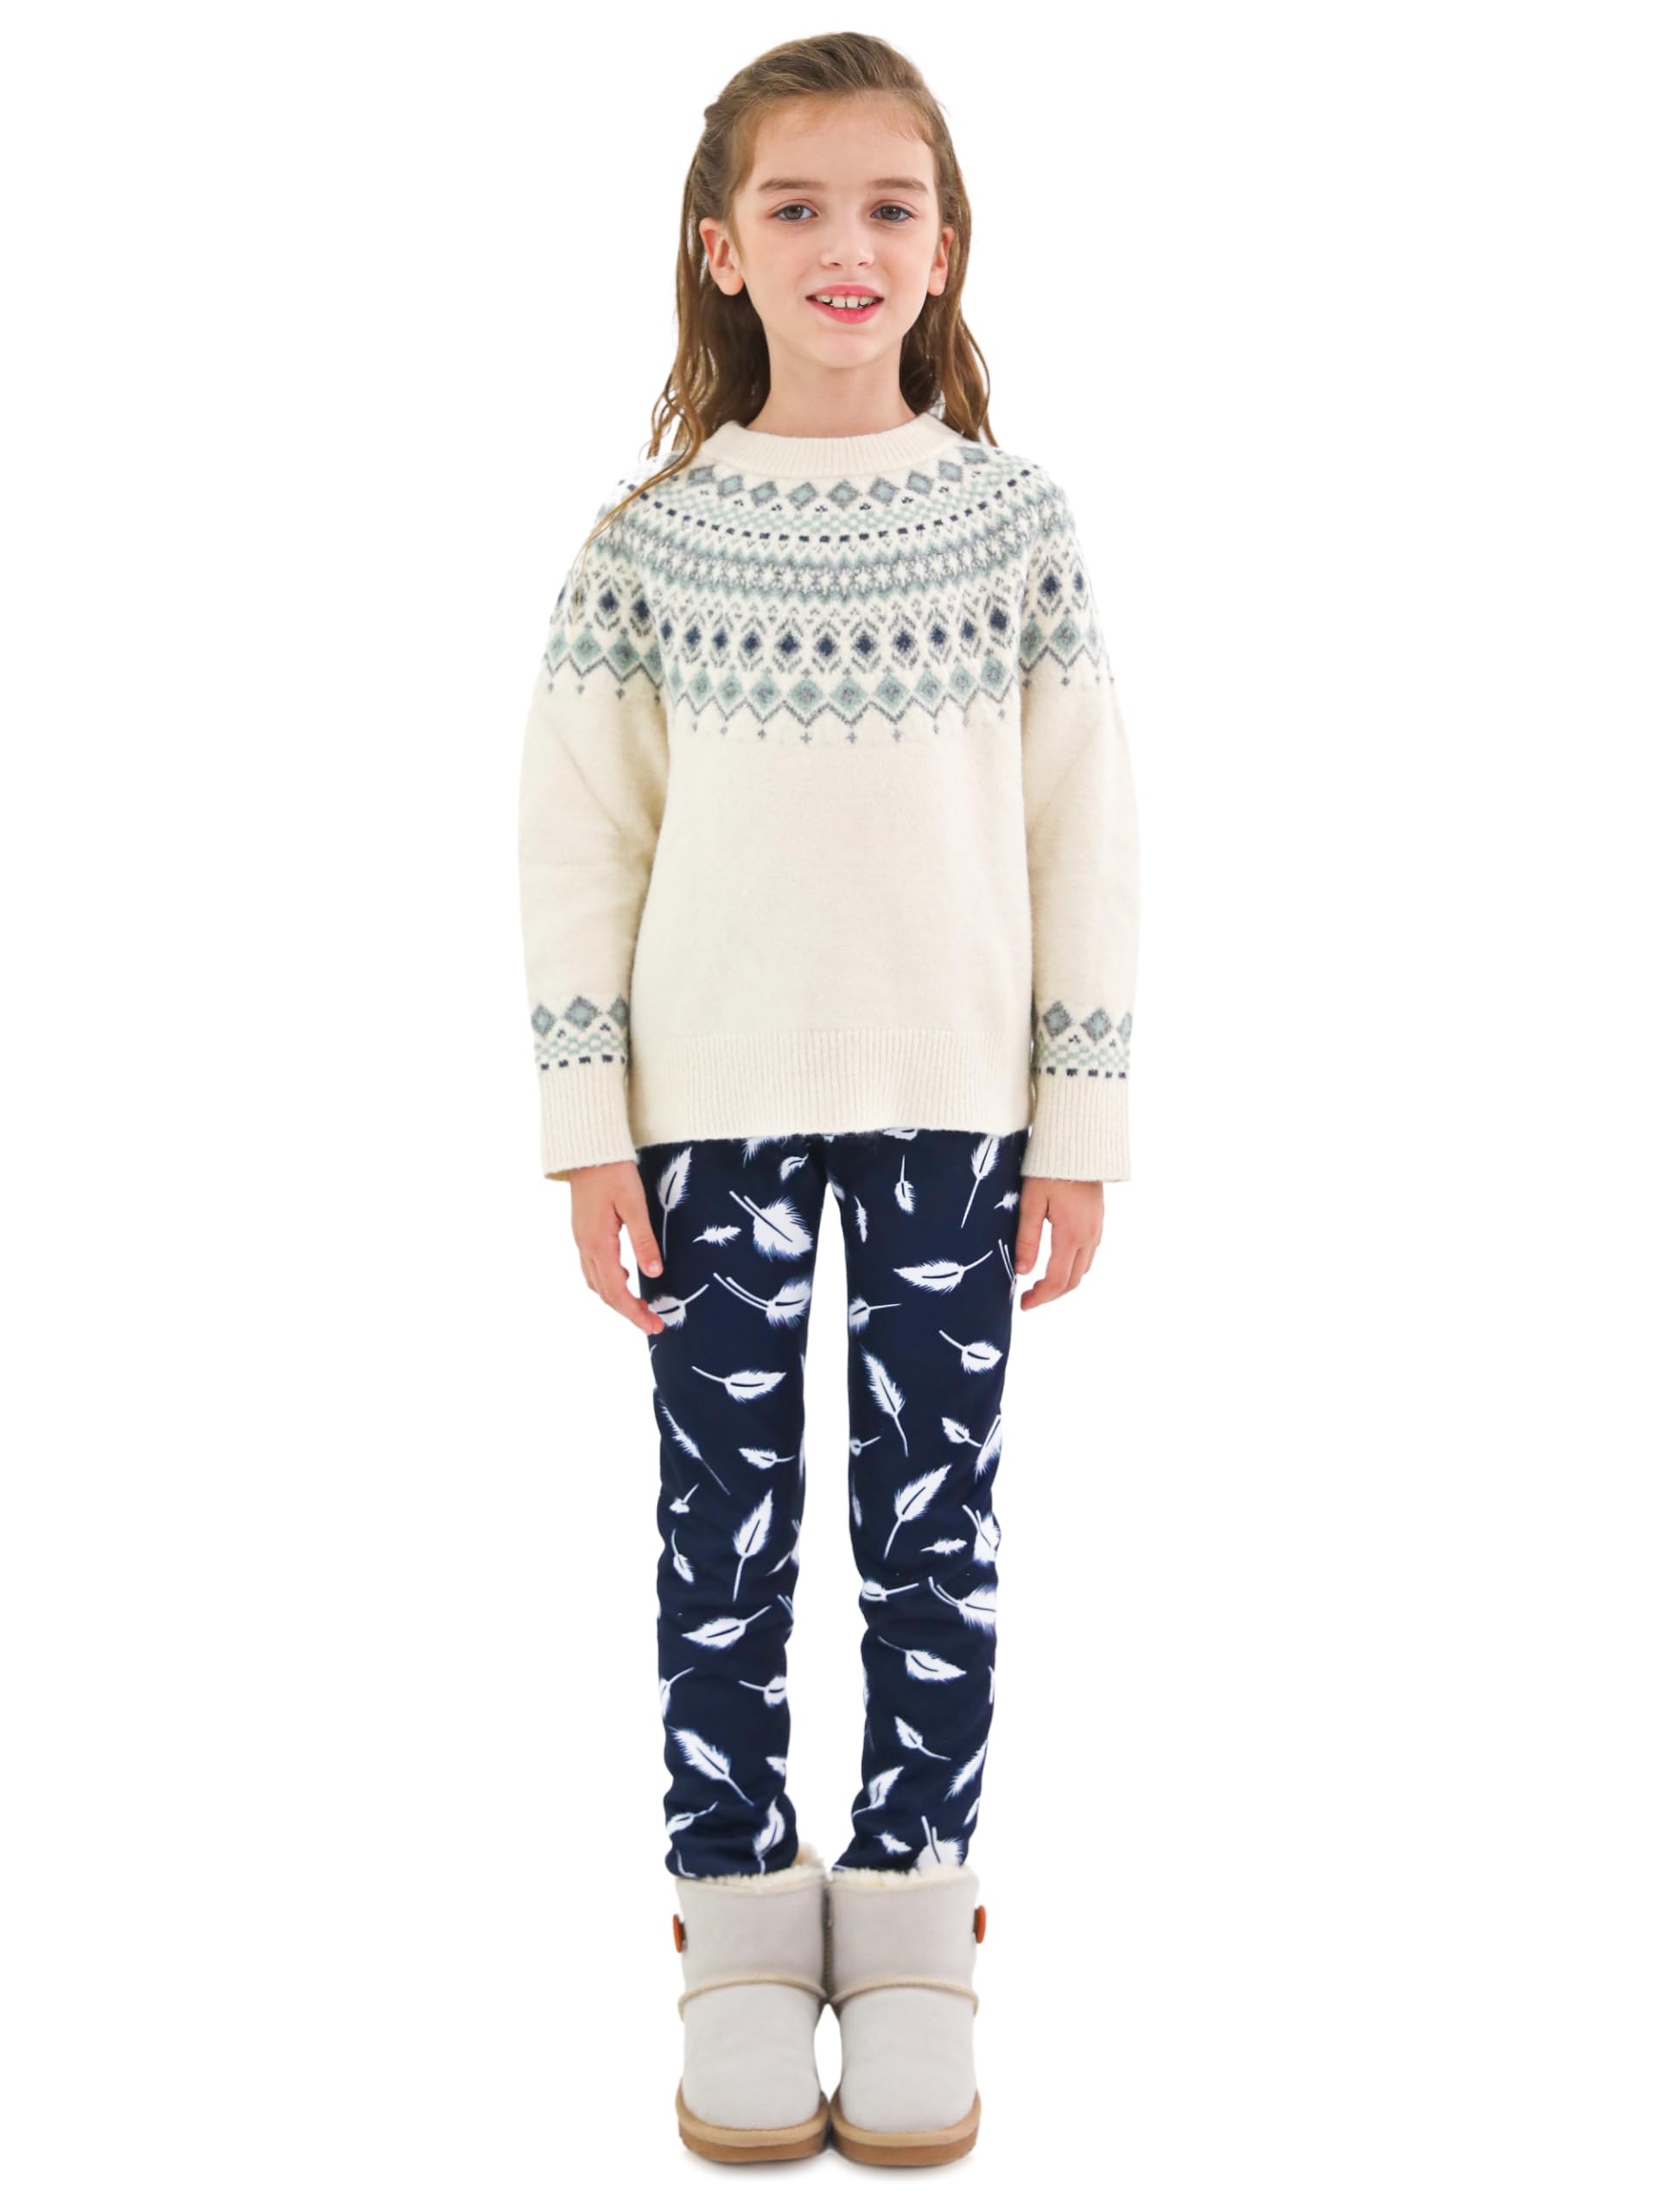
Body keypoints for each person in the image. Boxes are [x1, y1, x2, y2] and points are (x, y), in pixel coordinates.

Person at [516, 31, 1140, 2167]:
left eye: (889, 206)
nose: (843, 243)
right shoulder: (653, 543)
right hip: (707, 1112)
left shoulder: (1013, 523)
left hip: (961, 1109)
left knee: (931, 1530)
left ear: (946, 249)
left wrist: (1078, 1124)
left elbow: (1084, 832)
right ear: (722, 248)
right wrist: (587, 1123)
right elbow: (580, 836)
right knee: (723, 1530)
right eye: (796, 206)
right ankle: (734, 1929)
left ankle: (914, 1923)